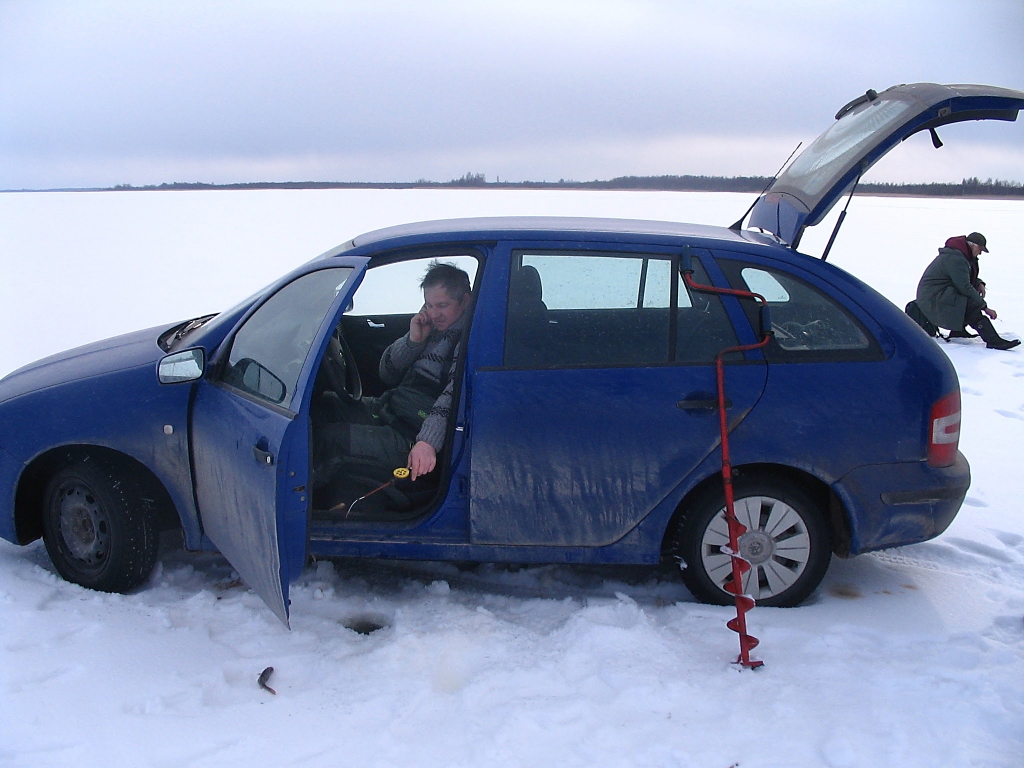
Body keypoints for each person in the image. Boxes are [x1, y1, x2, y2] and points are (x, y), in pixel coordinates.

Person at [312, 260, 472, 511]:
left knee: (330, 441)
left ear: (465, 300)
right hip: (390, 409)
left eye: (442, 305)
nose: (434, 313)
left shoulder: (469, 340)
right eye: (429, 305)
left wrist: (428, 442)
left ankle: (304, 509)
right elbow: (386, 373)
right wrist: (414, 340)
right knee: (324, 406)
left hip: (412, 433)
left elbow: (454, 396)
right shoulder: (430, 327)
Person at [916, 232, 1019, 350]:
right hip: (933, 298)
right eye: (980, 249)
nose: (980, 253)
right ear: (972, 245)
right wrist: (985, 307)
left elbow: (962, 277)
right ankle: (993, 341)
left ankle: (958, 332)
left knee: (963, 299)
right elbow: (964, 286)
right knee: (970, 304)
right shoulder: (955, 258)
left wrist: (979, 283)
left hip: (939, 294)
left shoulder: (960, 255)